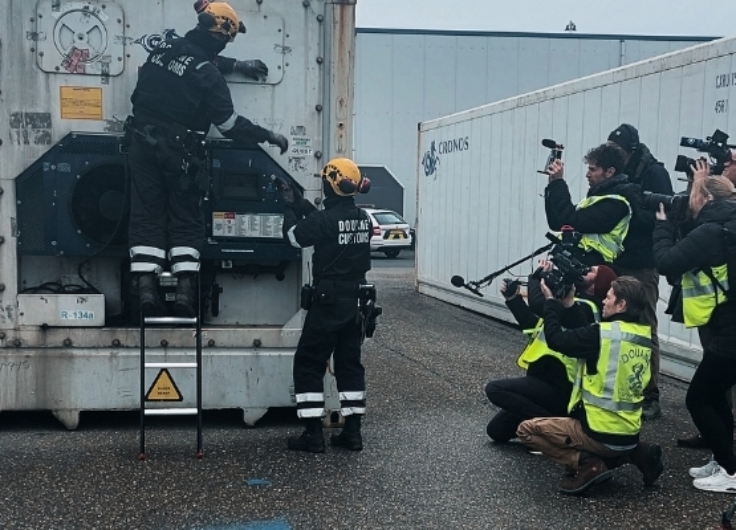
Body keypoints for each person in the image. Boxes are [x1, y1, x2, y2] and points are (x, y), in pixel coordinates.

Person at [127, 1, 288, 318]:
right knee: (186, 218)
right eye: (228, 39)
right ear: (221, 35)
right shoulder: (209, 75)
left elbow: (191, 59)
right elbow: (227, 124)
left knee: (147, 214)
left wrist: (236, 64)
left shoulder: (165, 48)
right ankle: (185, 292)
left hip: (140, 144)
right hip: (179, 152)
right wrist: (267, 135)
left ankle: (146, 288)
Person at [516, 276, 664, 495]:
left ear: (621, 305)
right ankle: (634, 453)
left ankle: (589, 464)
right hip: (630, 432)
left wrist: (551, 303)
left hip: (599, 431)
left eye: (609, 297)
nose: (603, 301)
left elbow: (557, 339)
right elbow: (587, 336)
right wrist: (570, 304)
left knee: (526, 430)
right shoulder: (641, 337)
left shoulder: (601, 336)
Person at [280, 158, 373, 453]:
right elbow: (332, 224)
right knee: (349, 365)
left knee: (309, 362)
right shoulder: (364, 220)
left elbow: (295, 237)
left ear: (330, 185)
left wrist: (290, 207)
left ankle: (312, 434)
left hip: (328, 302)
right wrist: (305, 205)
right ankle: (353, 433)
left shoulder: (324, 221)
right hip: (356, 301)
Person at [653, 170, 736, 493]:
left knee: (698, 397)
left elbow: (667, 262)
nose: (690, 201)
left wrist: (662, 223)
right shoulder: (727, 225)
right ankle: (723, 458)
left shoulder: (713, 231)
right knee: (714, 396)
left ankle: (730, 473)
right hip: (728, 329)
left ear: (708, 199)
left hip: (730, 333)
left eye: (694, 195)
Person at [485, 263, 617, 443]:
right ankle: (552, 426)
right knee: (496, 431)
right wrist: (513, 299)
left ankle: (555, 430)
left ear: (598, 285)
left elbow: (539, 305)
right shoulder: (569, 301)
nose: (585, 270)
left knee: (495, 389)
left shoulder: (587, 307)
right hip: (541, 382)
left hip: (561, 387)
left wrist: (535, 278)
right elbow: (534, 326)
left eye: (593, 271)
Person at [607, 124, 674, 421]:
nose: (614, 156)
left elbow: (666, 213)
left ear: (632, 151)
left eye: (618, 151)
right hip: (616, 258)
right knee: (612, 324)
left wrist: (632, 211)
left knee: (645, 327)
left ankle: (650, 395)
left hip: (643, 262)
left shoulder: (655, 173)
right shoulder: (616, 172)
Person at [544, 143, 640, 267]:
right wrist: (552, 186)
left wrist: (558, 183)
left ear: (610, 172)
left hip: (596, 268)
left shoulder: (616, 204)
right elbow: (558, 223)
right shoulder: (596, 198)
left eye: (593, 169)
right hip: (580, 262)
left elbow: (570, 221)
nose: (587, 174)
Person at [193, 0, 269, 81]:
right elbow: (203, 61)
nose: (221, 42)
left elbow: (206, 59)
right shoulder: (191, 55)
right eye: (220, 36)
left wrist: (235, 65)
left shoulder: (184, 47)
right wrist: (236, 65)